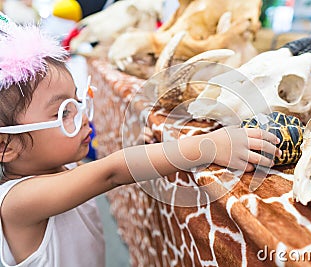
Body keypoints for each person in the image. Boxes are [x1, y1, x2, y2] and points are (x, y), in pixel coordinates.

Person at [0, 13, 281, 267]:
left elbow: (104, 167)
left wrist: (147, 150)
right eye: (63, 112)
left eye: (78, 100)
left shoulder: (58, 167)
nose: (83, 116)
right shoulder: (17, 203)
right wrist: (207, 146)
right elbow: (111, 172)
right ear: (6, 146)